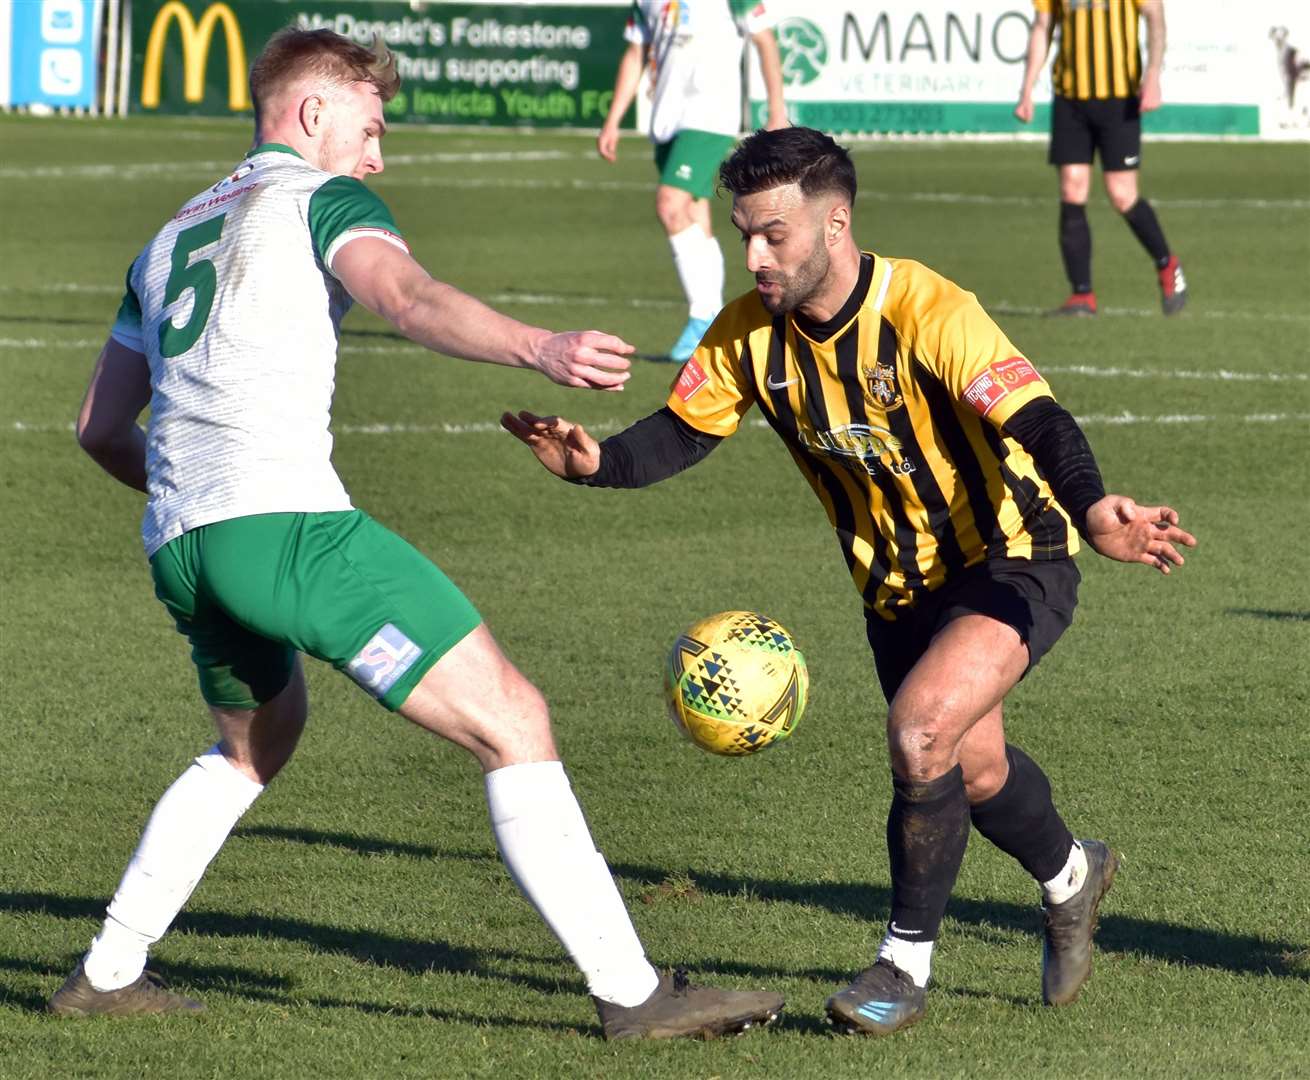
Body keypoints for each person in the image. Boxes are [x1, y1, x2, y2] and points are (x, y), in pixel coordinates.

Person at [49, 27, 784, 1041]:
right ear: (313, 112)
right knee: (513, 720)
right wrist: (542, 346)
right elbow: (408, 297)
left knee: (253, 745)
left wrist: (193, 504)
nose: (377, 154)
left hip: (182, 548)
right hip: (290, 533)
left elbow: (97, 428)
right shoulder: (322, 199)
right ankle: (632, 995)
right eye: (370, 125)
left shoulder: (167, 237)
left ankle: (108, 968)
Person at [503, 127, 1197, 1035]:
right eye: (744, 232)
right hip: (895, 590)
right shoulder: (750, 331)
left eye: (772, 235)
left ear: (834, 226)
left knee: (919, 733)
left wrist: (1095, 504)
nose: (752, 254)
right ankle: (1073, 874)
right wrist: (597, 463)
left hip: (1011, 555)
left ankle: (900, 969)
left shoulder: (927, 309)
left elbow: (1040, 419)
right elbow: (681, 432)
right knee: (972, 767)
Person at [597, 0, 788, 361]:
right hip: (667, 120)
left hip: (710, 115)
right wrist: (613, 120)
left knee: (670, 204)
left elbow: (765, 41)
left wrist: (777, 109)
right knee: (694, 216)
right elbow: (637, 53)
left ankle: (703, 316)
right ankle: (714, 322)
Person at [1015, 0, 1188, 316]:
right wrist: (1027, 89)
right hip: (1070, 98)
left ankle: (1167, 264)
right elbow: (1042, 26)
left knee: (1122, 195)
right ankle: (1082, 294)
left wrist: (1153, 74)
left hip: (1119, 98)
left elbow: (1155, 16)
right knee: (1072, 189)